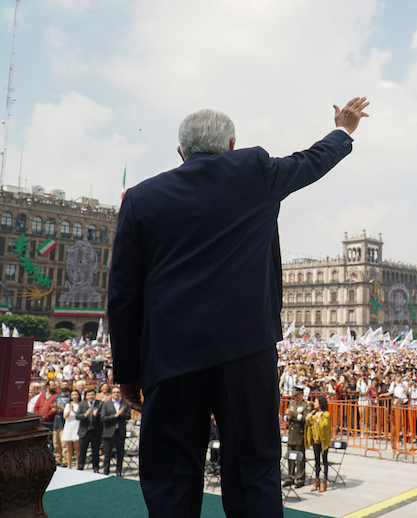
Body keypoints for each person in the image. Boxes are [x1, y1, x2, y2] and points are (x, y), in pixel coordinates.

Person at [108, 98, 368, 517]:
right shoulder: (256, 171)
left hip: (172, 358)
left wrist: (126, 374)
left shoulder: (140, 198)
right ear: (232, 143)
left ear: (181, 152)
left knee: (172, 475)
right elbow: (312, 161)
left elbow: (123, 294)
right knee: (253, 468)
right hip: (246, 352)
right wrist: (343, 129)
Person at [100, 386, 131, 476]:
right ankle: (106, 471)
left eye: (118, 392)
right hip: (109, 432)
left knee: (120, 453)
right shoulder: (106, 404)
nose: (116, 394)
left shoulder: (124, 404)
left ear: (120, 394)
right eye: (114, 392)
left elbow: (128, 416)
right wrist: (115, 415)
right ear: (112, 394)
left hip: (120, 432)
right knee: (107, 453)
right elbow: (103, 418)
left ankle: (119, 471)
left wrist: (121, 414)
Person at [284, 386, 310, 488]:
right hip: (291, 434)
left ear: (301, 394)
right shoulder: (292, 404)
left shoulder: (306, 405)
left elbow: (305, 419)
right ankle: (290, 477)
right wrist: (289, 416)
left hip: (300, 434)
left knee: (300, 457)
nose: (295, 397)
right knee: (290, 457)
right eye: (294, 395)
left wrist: (294, 414)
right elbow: (286, 417)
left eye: (297, 395)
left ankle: (300, 478)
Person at [307, 396, 331, 493]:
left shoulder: (326, 414)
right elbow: (309, 423)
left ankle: (325, 480)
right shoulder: (314, 413)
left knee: (324, 460)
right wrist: (308, 419)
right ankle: (316, 480)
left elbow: (324, 425)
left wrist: (314, 419)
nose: (314, 404)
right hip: (315, 439)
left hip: (323, 440)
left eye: (316, 402)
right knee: (316, 461)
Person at [76, 389, 103, 473]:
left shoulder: (100, 403)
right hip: (84, 431)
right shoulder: (82, 404)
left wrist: (96, 415)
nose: (90, 397)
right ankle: (80, 468)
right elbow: (77, 416)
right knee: (82, 451)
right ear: (86, 396)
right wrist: (85, 414)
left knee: (95, 451)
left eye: (92, 395)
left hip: (95, 431)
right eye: (89, 395)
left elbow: (103, 416)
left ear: (95, 395)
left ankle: (96, 468)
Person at [61, 390, 81, 469]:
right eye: (73, 395)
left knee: (77, 449)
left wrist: (73, 410)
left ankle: (77, 465)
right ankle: (69, 466)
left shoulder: (81, 405)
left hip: (77, 426)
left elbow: (79, 416)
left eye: (76, 394)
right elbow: (65, 416)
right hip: (69, 427)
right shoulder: (67, 405)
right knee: (69, 449)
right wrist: (70, 409)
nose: (74, 396)